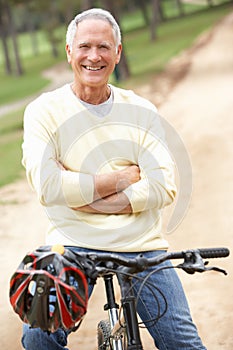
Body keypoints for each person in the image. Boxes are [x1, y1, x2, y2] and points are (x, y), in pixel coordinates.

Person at [21, 8, 206, 350]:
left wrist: (81, 193)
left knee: (184, 343)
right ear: (69, 52)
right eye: (85, 47)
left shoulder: (142, 110)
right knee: (37, 335)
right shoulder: (43, 112)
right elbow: (48, 186)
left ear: (118, 53)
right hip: (70, 243)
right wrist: (121, 179)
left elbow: (163, 186)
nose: (94, 56)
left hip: (141, 245)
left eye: (104, 47)